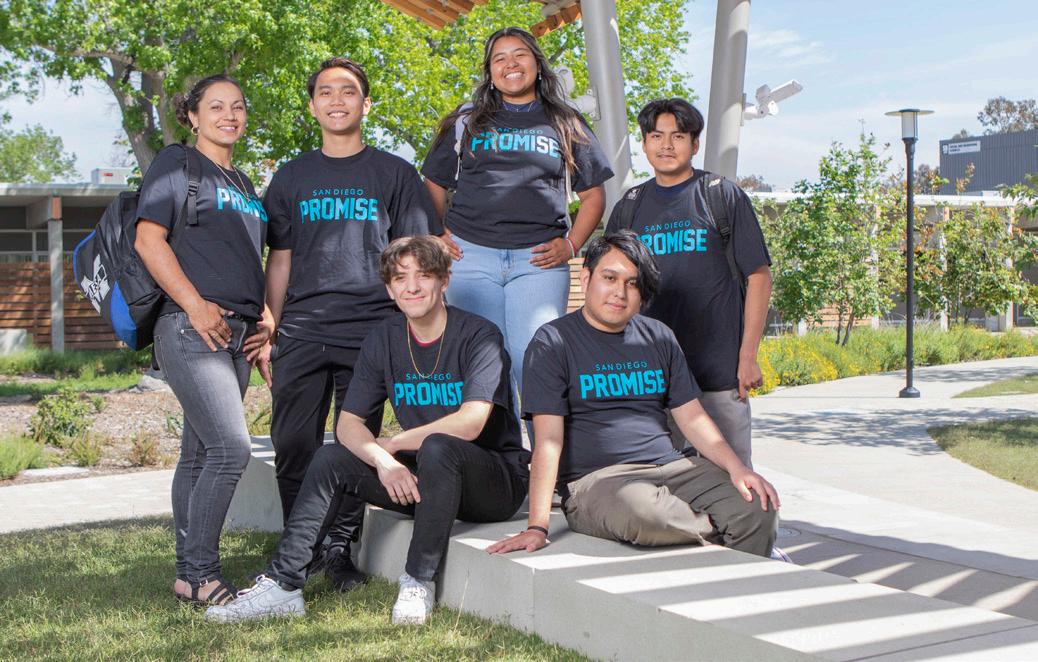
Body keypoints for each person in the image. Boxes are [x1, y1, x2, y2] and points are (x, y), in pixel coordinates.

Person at [206, 236, 529, 625]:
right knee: (330, 458)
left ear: (444, 281)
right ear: (389, 289)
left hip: (493, 482)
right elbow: (348, 424)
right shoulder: (384, 338)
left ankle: (418, 580)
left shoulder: (479, 335)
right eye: (400, 278)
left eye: (424, 276)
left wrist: (395, 443)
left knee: (438, 446)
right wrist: (383, 461)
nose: (412, 287)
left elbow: (471, 421)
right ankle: (283, 585)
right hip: (427, 477)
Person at [257, 57, 440, 588]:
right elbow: (280, 259)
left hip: (371, 329)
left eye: (349, 91)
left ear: (366, 104)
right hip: (303, 328)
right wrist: (270, 325)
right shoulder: (291, 176)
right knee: (293, 442)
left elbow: (414, 257)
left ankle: (338, 550)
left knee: (354, 444)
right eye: (326, 92)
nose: (337, 100)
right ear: (313, 106)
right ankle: (300, 543)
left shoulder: (395, 174)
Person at [488, 232, 779, 558]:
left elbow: (693, 418)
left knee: (758, 505)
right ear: (586, 278)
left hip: (673, 468)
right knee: (648, 514)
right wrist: (537, 526)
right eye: (609, 278)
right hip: (599, 482)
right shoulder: (552, 342)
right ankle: (726, 536)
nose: (620, 292)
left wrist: (738, 469)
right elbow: (549, 441)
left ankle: (734, 571)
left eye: (633, 283)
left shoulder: (659, 336)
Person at [422, 26, 613, 416]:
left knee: (535, 356)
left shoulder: (565, 120)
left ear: (538, 65)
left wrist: (572, 244)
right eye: (500, 58)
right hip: (470, 257)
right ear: (490, 72)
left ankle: (547, 451)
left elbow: (594, 195)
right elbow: (433, 183)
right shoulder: (466, 120)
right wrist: (436, 234)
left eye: (520, 54)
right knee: (484, 362)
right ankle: (500, 452)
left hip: (537, 260)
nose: (511, 64)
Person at [135, 75, 271, 605]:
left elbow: (246, 259)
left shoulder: (244, 183)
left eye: (237, 106)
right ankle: (200, 574)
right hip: (191, 327)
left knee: (198, 454)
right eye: (215, 106)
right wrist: (194, 305)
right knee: (231, 448)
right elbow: (149, 240)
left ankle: (186, 574)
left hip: (238, 333)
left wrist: (265, 321)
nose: (228, 115)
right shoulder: (178, 163)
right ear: (193, 117)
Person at [606, 99, 772, 468]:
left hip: (718, 374)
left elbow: (759, 277)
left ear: (694, 144)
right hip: (651, 377)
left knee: (730, 478)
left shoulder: (721, 195)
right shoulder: (629, 206)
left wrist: (747, 357)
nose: (666, 145)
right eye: (656, 136)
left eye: (678, 136)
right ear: (644, 143)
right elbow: (611, 289)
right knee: (657, 480)